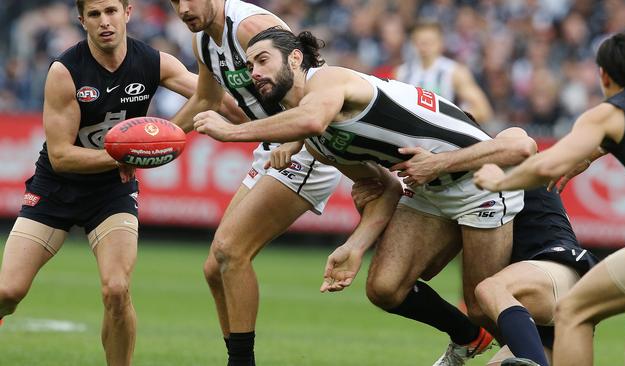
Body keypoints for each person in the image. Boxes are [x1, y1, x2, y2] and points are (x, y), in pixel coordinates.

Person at [192, 27, 524, 358]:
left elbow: (310, 119)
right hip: (428, 187)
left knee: (482, 305)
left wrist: (231, 131)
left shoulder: (328, 81)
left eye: (262, 61)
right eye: (250, 67)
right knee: (385, 288)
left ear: (295, 58)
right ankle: (469, 338)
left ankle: (548, 350)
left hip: (478, 178)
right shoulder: (320, 141)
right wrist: (354, 246)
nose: (255, 73)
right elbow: (386, 188)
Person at [0, 0, 197, 365]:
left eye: (110, 11)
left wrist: (166, 135)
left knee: (117, 290)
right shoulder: (65, 70)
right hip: (56, 187)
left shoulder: (152, 62)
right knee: (7, 291)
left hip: (111, 192)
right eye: (94, 14)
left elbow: (208, 97)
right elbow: (60, 155)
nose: (104, 21)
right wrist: (124, 156)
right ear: (82, 20)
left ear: (127, 12)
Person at [167, 1, 342, 364]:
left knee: (231, 252)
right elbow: (206, 98)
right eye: (174, 0)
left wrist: (295, 141)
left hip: (306, 146)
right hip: (272, 145)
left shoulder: (250, 26)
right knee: (214, 268)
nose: (183, 8)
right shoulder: (203, 39)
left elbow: (317, 88)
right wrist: (162, 136)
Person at [473, 30, 625, 366]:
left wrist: (502, 180)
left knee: (573, 309)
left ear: (604, 75)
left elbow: (549, 162)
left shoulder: (610, 113)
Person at [353, 125, 599, 366]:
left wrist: (443, 161)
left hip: (558, 271)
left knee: (488, 290)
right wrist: (372, 208)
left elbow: (522, 142)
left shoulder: (505, 147)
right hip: (542, 327)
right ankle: (509, 351)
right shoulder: (464, 196)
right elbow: (428, 267)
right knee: (485, 300)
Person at [396, 22, 493, 123]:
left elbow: (483, 110)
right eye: (420, 42)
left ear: (440, 43)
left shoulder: (454, 72)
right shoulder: (402, 72)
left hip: (441, 132)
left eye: (430, 42)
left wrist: (450, 120)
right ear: (413, 43)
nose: (424, 46)